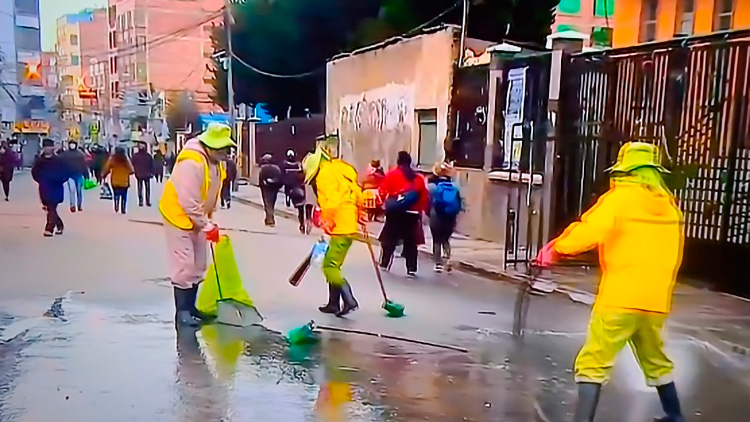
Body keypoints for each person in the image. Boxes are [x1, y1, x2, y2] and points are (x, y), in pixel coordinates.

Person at [537, 142, 685, 422]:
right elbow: (674, 255)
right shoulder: (669, 207)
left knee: (594, 362)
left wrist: (558, 248)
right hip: (655, 301)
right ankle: (675, 416)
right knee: (656, 360)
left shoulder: (619, 200)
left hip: (619, 298)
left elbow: (589, 230)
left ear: (624, 170)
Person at [159, 122, 231, 327]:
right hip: (178, 216)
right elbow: (188, 202)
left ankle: (191, 308)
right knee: (185, 264)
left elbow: (209, 194)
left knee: (199, 264)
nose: (227, 152)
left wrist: (208, 222)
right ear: (210, 147)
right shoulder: (192, 163)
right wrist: (207, 226)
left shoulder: (217, 163)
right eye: (223, 149)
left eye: (227, 148)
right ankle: (182, 312)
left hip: (198, 217)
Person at [302, 147, 363, 317]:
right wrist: (361, 213)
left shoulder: (324, 175)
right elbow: (358, 195)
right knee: (334, 264)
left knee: (329, 266)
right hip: (349, 225)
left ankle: (349, 299)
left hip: (339, 226)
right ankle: (333, 303)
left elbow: (332, 201)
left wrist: (326, 219)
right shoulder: (341, 172)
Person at [378, 151, 429, 278]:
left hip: (395, 213)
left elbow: (383, 191)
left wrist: (386, 205)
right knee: (411, 241)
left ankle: (385, 263)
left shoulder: (391, 175)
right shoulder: (418, 178)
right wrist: (419, 209)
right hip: (412, 214)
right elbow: (424, 197)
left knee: (389, 238)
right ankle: (411, 268)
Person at [427, 161, 462, 273]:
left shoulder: (433, 187)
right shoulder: (455, 187)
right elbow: (460, 203)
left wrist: (429, 213)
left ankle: (438, 264)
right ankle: (448, 260)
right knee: (445, 240)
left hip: (436, 216)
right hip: (450, 218)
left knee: (436, 240)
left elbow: (430, 202)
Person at [32, 139, 69, 237]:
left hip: (56, 187)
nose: (47, 149)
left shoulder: (59, 160)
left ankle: (49, 228)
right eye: (45, 147)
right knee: (50, 208)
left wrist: (59, 179)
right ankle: (59, 224)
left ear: (53, 147)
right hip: (44, 187)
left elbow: (65, 173)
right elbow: (34, 172)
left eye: (49, 146)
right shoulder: (40, 161)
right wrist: (40, 179)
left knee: (52, 206)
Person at [102, 147, 135, 214]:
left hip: (115, 181)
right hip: (124, 181)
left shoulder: (112, 159)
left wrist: (104, 175)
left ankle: (116, 202)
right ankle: (123, 208)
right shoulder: (126, 160)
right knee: (124, 195)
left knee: (116, 193)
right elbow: (132, 170)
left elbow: (106, 168)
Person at [282, 149, 307, 232]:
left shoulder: (285, 164)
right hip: (300, 190)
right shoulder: (298, 167)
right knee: (302, 209)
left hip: (293, 187)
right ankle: (303, 223)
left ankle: (302, 223)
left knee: (300, 208)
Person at [59, 140, 87, 212]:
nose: (72, 145)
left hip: (79, 174)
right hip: (69, 174)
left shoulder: (80, 154)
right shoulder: (65, 154)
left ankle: (79, 205)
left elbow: (84, 165)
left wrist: (86, 174)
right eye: (71, 144)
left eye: (73, 144)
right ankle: (72, 205)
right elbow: (62, 164)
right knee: (72, 190)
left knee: (79, 190)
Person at [258, 153, 283, 227]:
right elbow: (280, 179)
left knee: (267, 204)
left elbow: (261, 180)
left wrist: (262, 186)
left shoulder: (263, 169)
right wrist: (277, 187)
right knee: (272, 203)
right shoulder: (277, 168)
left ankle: (270, 220)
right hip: (274, 189)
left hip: (266, 188)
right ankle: (268, 218)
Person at [132, 143, 154, 207]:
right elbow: (151, 165)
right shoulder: (148, 156)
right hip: (147, 174)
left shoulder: (135, 156)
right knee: (147, 188)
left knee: (139, 187)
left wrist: (135, 170)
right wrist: (151, 172)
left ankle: (140, 201)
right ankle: (147, 201)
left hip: (139, 174)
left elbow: (132, 163)